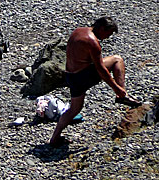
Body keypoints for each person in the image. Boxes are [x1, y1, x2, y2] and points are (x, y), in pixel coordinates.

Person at [49, 17, 143, 147]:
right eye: (108, 34)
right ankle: (123, 95)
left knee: (74, 109)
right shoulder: (93, 42)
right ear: (101, 28)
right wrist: (117, 88)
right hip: (82, 76)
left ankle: (54, 138)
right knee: (117, 60)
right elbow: (102, 71)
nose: (108, 37)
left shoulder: (78, 31)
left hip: (70, 76)